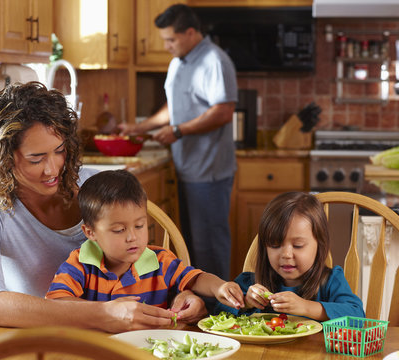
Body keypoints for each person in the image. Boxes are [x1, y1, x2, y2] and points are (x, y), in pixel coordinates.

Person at [0, 81, 207, 332]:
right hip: (39, 339)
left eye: (59, 151)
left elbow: (144, 267)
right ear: (3, 159)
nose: (52, 169)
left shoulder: (98, 185)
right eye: (36, 159)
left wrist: (179, 297)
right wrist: (104, 313)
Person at [119, 4, 237, 284]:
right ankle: (200, 309)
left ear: (191, 33)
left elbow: (223, 110)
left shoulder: (214, 61)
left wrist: (179, 132)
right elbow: (175, 107)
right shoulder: (178, 62)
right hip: (186, 166)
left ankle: (222, 308)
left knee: (209, 244)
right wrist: (141, 127)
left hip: (209, 170)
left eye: (171, 39)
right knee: (192, 244)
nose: (166, 45)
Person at [46, 170, 244, 317]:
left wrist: (220, 286)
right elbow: (56, 302)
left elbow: (196, 278)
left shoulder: (161, 261)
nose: (132, 237)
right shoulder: (80, 265)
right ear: (90, 232)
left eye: (139, 226)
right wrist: (104, 311)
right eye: (119, 230)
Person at [215, 192, 365, 321]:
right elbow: (216, 315)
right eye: (275, 245)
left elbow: (357, 316)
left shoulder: (330, 281)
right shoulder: (249, 283)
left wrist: (306, 307)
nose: (286, 255)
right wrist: (245, 303)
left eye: (298, 245)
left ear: (320, 245)